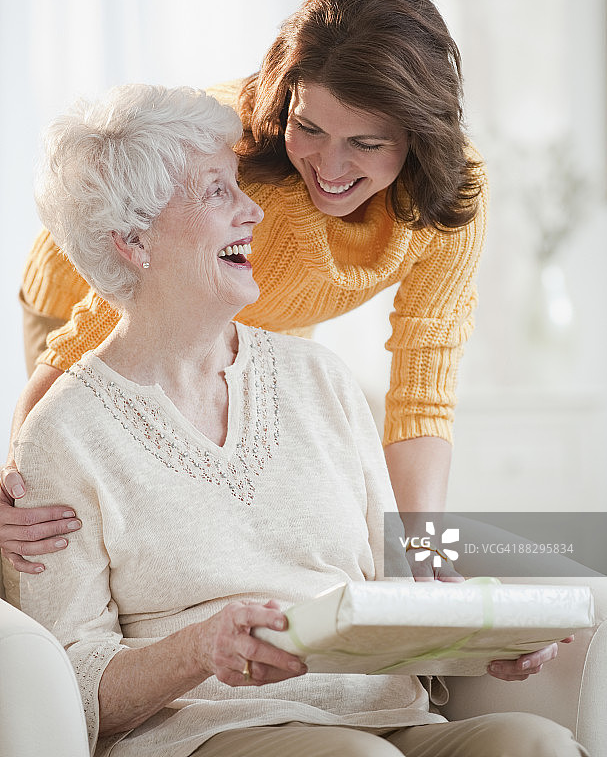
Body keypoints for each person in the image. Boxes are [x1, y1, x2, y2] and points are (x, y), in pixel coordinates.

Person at [8, 82, 584, 757]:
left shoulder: (321, 379)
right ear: (133, 240)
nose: (254, 211)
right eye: (218, 191)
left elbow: (395, 573)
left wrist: (480, 633)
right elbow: (68, 682)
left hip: (388, 717)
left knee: (534, 743)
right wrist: (199, 649)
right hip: (212, 729)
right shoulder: (63, 435)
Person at [1, 0, 485, 573]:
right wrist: (20, 481)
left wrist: (427, 560)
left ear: (418, 138)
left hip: (265, 311)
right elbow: (106, 325)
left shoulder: (450, 202)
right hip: (103, 278)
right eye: (308, 128)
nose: (329, 167)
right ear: (286, 101)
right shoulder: (236, 158)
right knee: (90, 491)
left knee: (252, 511)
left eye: (365, 143)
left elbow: (423, 391)